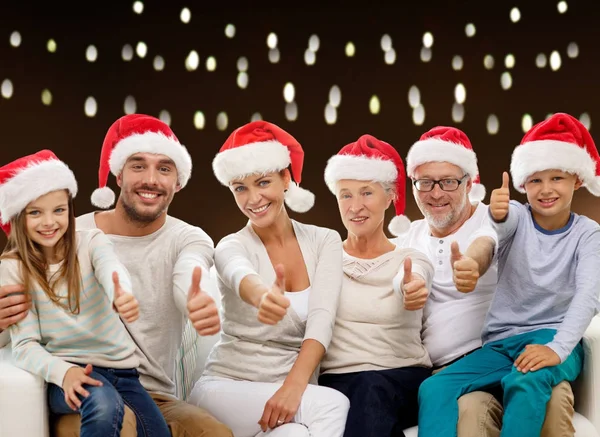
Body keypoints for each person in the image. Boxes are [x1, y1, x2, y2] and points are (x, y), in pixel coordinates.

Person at [0, 115, 233, 437]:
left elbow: (187, 271)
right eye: (138, 166)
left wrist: (194, 299)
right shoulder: (64, 233)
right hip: (81, 390)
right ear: (118, 174)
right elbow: (21, 336)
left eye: (164, 168)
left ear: (178, 181)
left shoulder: (188, 238)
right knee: (116, 423)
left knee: (215, 433)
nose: (151, 179)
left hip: (153, 394)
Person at [417, 113, 600, 437]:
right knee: (434, 388)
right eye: (535, 180)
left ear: (577, 179)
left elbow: (589, 296)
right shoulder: (514, 214)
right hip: (502, 344)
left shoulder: (589, 235)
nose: (545, 189)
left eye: (556, 178)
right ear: (523, 184)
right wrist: (490, 231)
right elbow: (494, 232)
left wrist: (557, 348)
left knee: (525, 380)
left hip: (554, 339)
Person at [188, 120, 350, 437]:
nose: (253, 199)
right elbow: (239, 274)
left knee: (296, 435)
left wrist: (293, 386)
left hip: (285, 394)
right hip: (226, 389)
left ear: (285, 178)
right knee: (332, 406)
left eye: (263, 183)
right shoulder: (231, 246)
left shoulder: (324, 241)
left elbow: (322, 319)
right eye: (240, 188)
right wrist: (262, 295)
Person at [0, 150, 170, 437]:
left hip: (124, 374)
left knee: (157, 433)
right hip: (68, 370)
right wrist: (63, 373)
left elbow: (110, 268)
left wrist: (121, 293)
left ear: (69, 208)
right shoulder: (13, 268)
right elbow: (25, 346)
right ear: (18, 217)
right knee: (104, 407)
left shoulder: (91, 242)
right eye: (35, 212)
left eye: (58, 210)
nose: (49, 222)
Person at [317, 134, 434, 437]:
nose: (355, 206)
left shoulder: (410, 258)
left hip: (401, 378)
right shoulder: (322, 259)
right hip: (337, 380)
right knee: (358, 397)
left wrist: (410, 288)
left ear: (390, 195)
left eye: (366, 193)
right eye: (346, 194)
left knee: (371, 391)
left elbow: (412, 278)